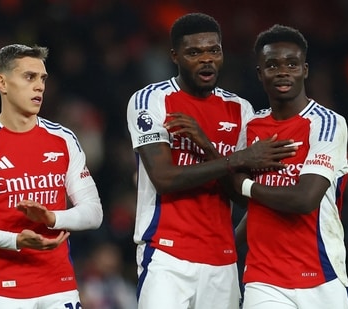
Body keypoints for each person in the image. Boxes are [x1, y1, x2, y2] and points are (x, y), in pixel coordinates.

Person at [126, 13, 296, 309]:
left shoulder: (240, 110)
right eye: (194, 52)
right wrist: (237, 158)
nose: (206, 59)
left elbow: (239, 193)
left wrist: (208, 147)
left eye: (213, 51)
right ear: (175, 56)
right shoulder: (151, 100)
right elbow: (164, 179)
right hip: (166, 255)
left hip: (222, 259)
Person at [0, 44, 103, 309]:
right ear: (2, 83)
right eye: (29, 77)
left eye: (42, 79)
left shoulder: (63, 139)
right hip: (4, 290)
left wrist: (53, 218)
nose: (40, 86)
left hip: (60, 286)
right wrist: (15, 241)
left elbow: (94, 213)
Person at [233, 24, 348, 308]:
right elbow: (253, 202)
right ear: (260, 73)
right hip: (264, 280)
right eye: (272, 65)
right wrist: (226, 247)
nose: (283, 71)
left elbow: (304, 199)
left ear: (305, 70)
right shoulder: (250, 127)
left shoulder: (327, 123)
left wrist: (247, 185)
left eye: (292, 64)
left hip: (321, 275)